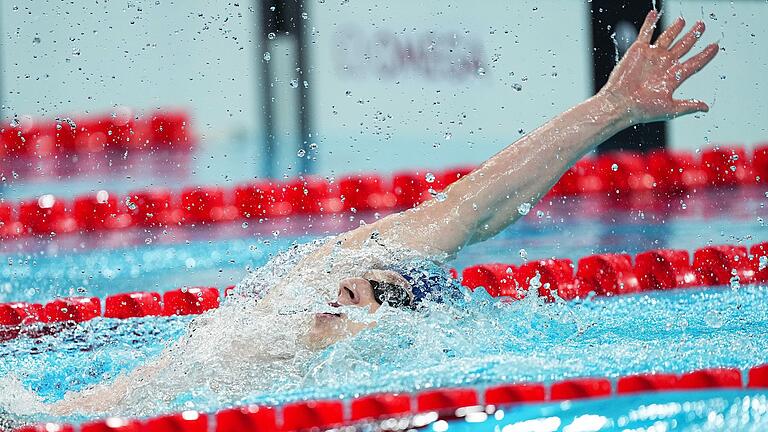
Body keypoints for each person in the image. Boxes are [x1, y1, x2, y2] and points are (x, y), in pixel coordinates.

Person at [24, 10, 717, 418]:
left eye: (375, 297)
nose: (348, 291)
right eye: (362, 280)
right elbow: (475, 207)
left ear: (396, 332)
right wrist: (608, 109)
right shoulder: (293, 295)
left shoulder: (349, 376)